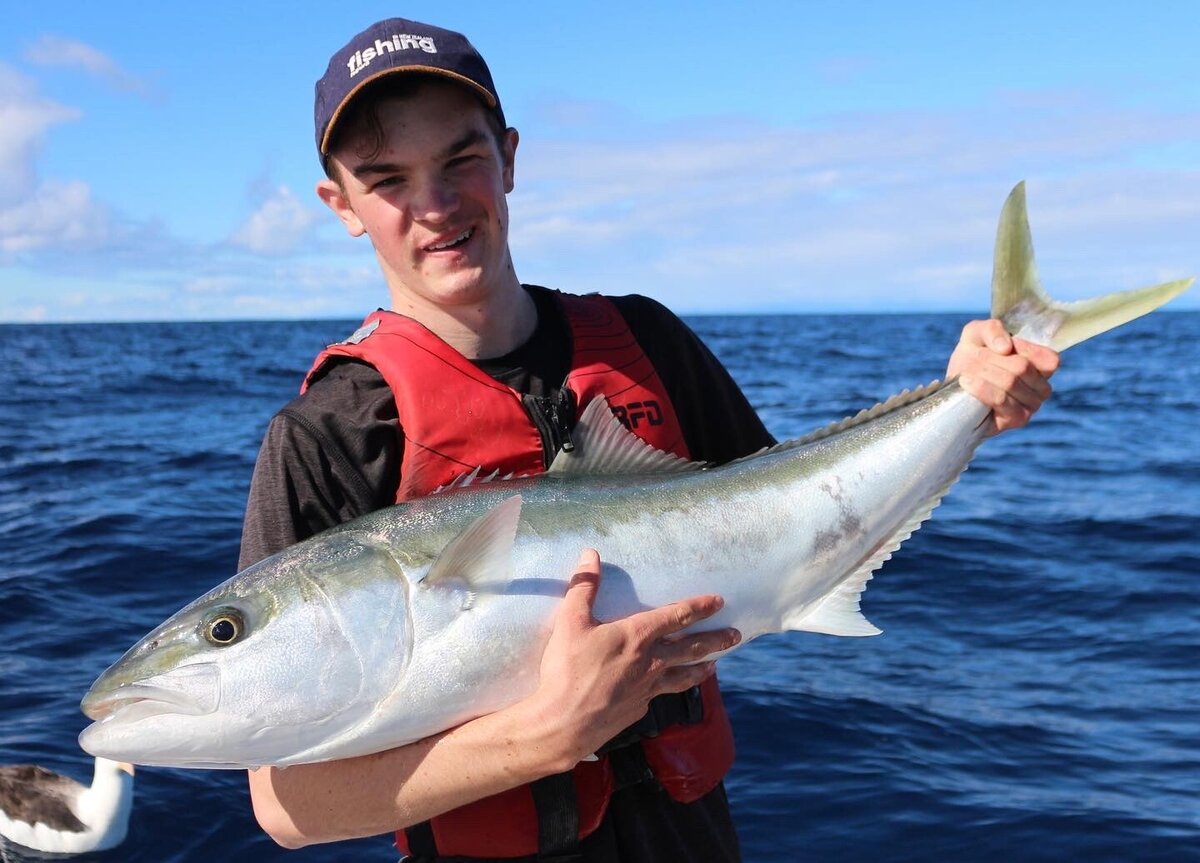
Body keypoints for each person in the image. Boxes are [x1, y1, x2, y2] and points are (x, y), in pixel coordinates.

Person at [239, 17, 1060, 862]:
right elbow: (290, 808)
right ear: (340, 206)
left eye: (462, 159)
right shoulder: (325, 438)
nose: (437, 206)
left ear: (511, 157)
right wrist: (550, 734)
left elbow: (805, 518)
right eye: (387, 180)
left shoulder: (645, 340)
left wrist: (968, 405)